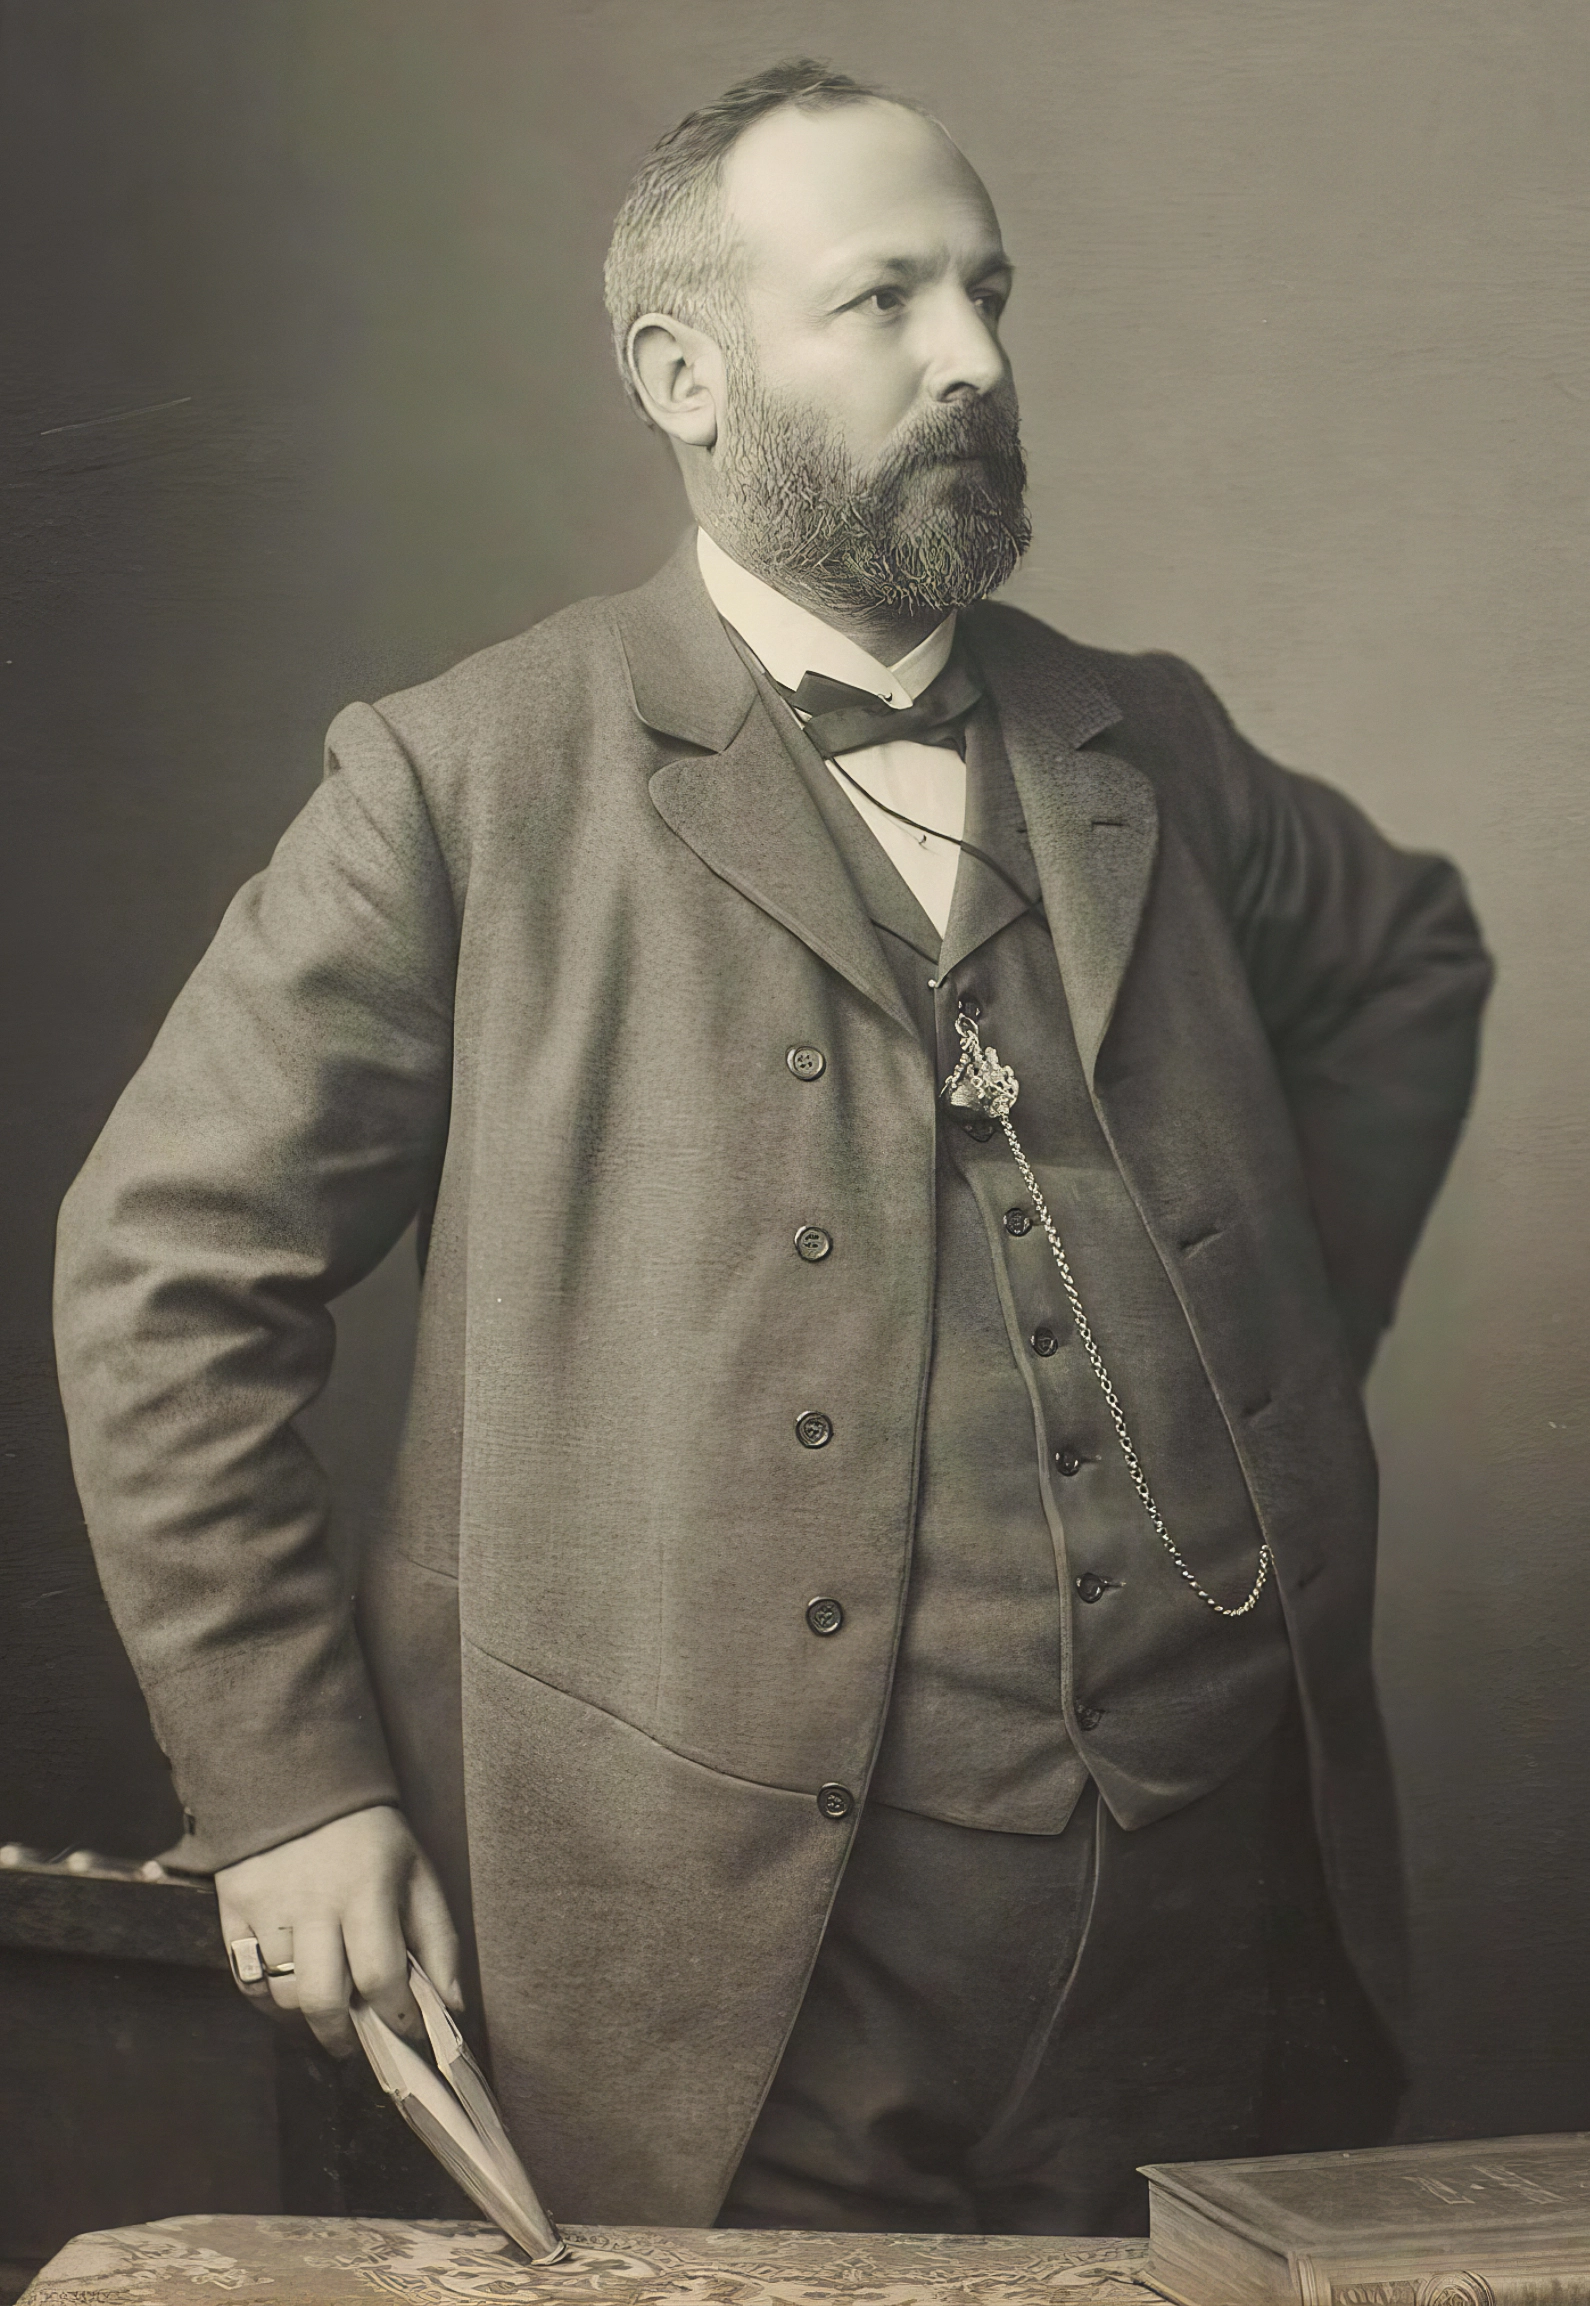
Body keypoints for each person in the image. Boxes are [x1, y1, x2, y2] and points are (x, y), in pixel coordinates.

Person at [53, 59, 1491, 2236]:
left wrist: (1259, 1350)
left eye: (988, 292)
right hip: (722, 1948)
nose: (972, 356)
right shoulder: (464, 783)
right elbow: (162, 1272)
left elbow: (1406, 959)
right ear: (682, 375)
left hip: (1209, 1909)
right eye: (884, 300)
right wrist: (289, 1787)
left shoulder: (1154, 740)